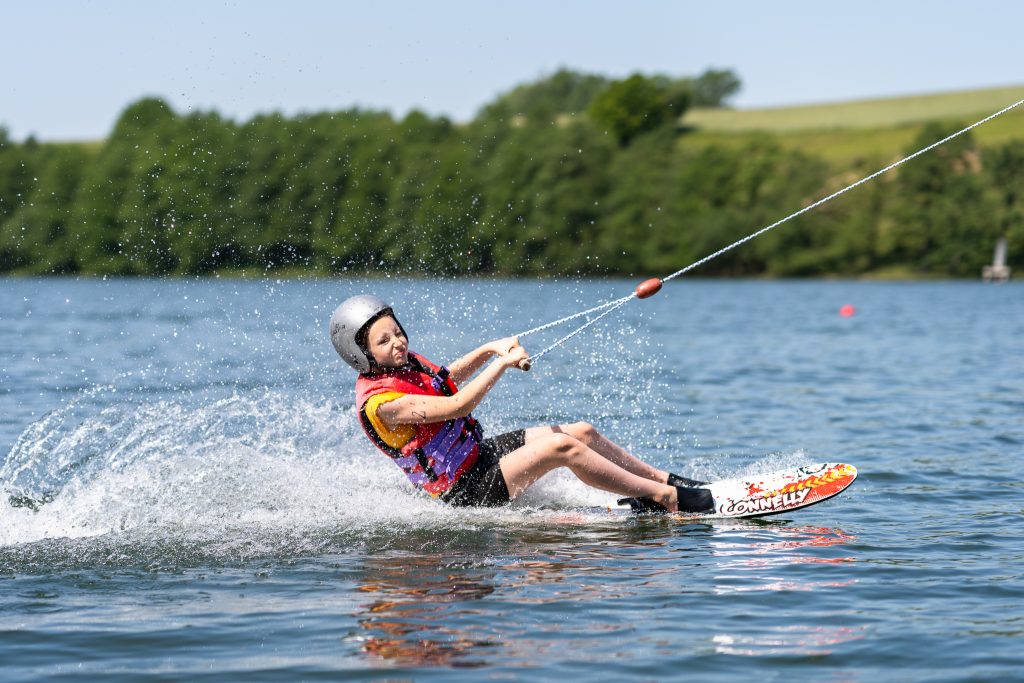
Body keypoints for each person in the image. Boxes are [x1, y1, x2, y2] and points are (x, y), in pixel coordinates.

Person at [329, 294, 713, 514]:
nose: (398, 342)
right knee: (562, 447)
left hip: (477, 457)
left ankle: (664, 480)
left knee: (581, 432)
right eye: (384, 341)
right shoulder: (383, 405)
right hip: (464, 491)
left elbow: (446, 380)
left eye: (397, 332)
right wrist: (502, 364)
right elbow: (458, 405)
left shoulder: (405, 365)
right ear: (362, 355)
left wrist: (491, 348)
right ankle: (665, 500)